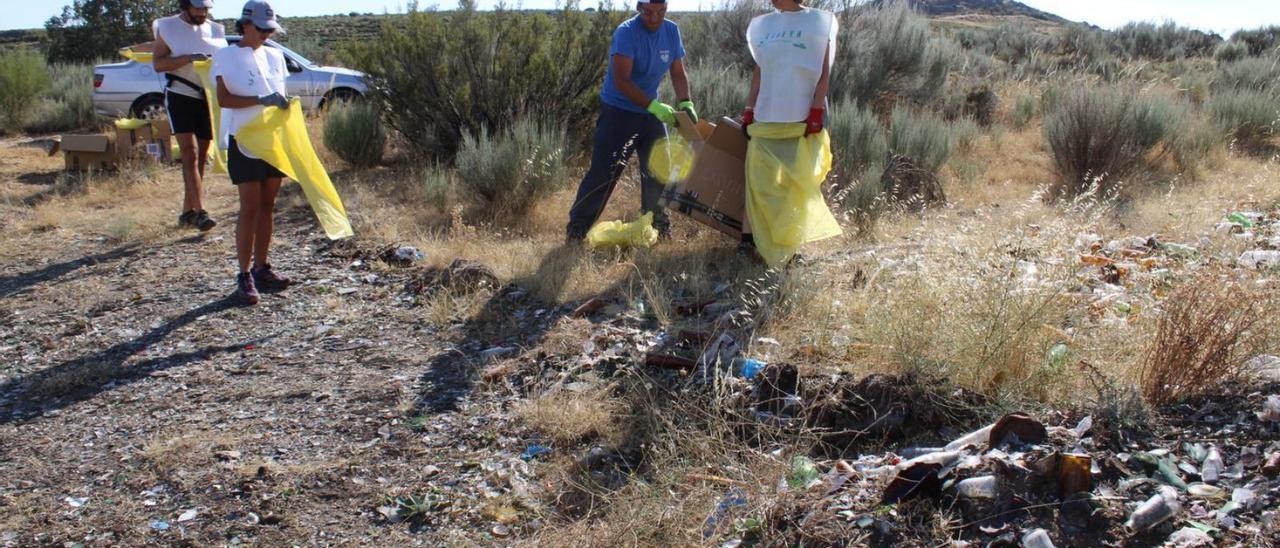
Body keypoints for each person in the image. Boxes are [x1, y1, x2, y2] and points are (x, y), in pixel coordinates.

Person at [565, 0, 697, 243]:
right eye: (648, 12)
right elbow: (622, 81)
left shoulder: (671, 30)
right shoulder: (626, 32)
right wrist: (653, 105)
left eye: (661, 12)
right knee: (605, 172)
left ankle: (657, 226)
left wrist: (685, 101)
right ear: (639, 7)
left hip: (650, 113)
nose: (654, 18)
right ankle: (577, 230)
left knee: (659, 170)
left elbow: (677, 72)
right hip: (619, 110)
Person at [739, 0, 842, 267]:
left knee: (793, 184)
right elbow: (760, 71)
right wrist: (750, 107)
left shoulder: (820, 22)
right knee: (757, 179)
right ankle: (748, 241)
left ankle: (788, 246)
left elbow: (824, 71)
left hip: (800, 116)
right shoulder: (764, 26)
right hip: (766, 114)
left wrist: (817, 109)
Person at [211, 0, 292, 305]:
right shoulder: (226, 56)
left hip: (272, 139)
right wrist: (261, 99)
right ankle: (243, 275)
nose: (266, 35)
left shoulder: (275, 56)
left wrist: (283, 103)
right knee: (250, 206)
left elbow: (280, 92)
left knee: (268, 204)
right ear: (245, 24)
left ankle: (262, 267)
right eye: (261, 29)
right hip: (244, 139)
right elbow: (224, 99)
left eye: (270, 30)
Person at [152, 0, 227, 231]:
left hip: (207, 97)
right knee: (190, 152)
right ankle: (201, 212)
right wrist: (188, 58)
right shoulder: (166, 27)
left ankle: (188, 211)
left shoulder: (216, 29)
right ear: (186, 5)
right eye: (198, 9)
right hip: (180, 94)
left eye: (206, 9)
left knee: (202, 155)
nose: (202, 13)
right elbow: (158, 63)